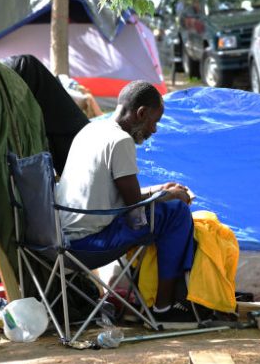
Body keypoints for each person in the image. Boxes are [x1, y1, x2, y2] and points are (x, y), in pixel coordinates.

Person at [56, 81, 195, 315]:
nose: (154, 130)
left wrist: (159, 189)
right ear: (141, 113)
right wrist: (170, 196)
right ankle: (164, 306)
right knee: (176, 213)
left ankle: (156, 298)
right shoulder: (121, 141)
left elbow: (115, 194)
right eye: (154, 121)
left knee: (167, 206)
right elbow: (134, 207)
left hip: (60, 239)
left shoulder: (92, 129)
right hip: (88, 245)